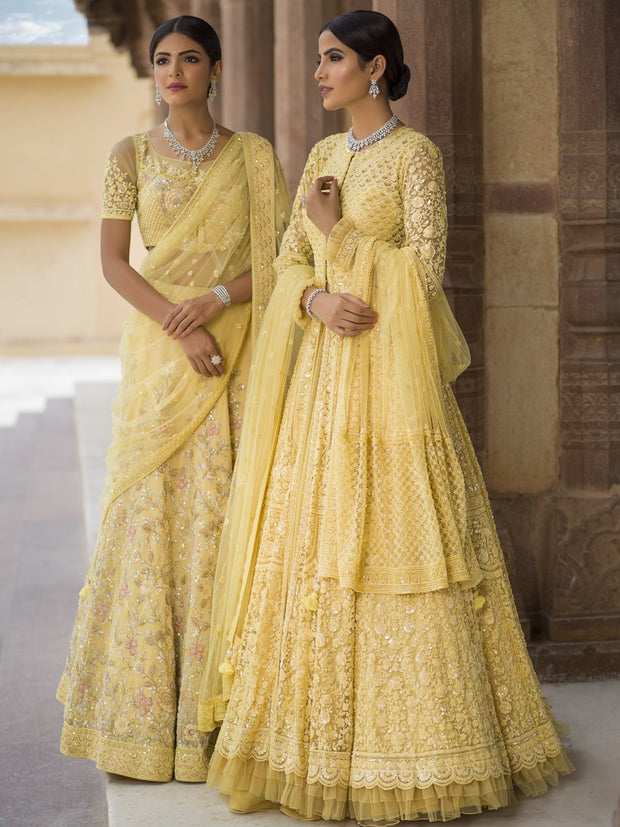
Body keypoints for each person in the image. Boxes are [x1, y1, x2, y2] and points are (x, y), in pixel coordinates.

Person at [198, 9, 574, 823]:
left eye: (333, 59)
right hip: (325, 382)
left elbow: (429, 273)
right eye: (319, 60)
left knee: (406, 545)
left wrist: (346, 243)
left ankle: (422, 744)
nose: (319, 73)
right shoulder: (324, 156)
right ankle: (312, 742)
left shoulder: (416, 158)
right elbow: (287, 258)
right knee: (315, 545)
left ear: (376, 69)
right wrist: (315, 295)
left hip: (394, 386)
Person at [57, 15, 289, 783]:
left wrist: (218, 298)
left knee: (225, 516)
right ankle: (147, 715)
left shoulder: (253, 156)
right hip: (164, 356)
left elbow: (282, 256)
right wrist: (179, 325)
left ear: (216, 69)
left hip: (239, 350)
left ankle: (226, 717)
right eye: (164, 59)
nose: (175, 70)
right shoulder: (127, 156)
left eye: (190, 58)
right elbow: (115, 263)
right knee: (149, 514)